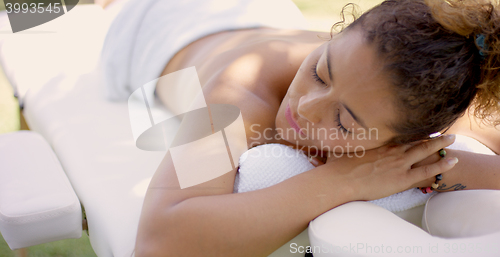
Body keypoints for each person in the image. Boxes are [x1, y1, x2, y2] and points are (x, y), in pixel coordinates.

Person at [100, 0, 500, 256]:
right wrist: (346, 180)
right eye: (319, 73)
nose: (305, 107)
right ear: (335, 35)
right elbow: (160, 241)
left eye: (345, 122)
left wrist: (439, 164)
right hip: (156, 21)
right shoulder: (238, 91)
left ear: (405, 142)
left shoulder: (405, 94)